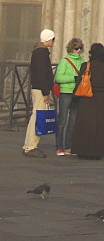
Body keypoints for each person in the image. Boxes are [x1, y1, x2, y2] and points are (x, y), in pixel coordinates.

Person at [71, 43, 104, 159]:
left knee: (84, 124)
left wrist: (75, 98)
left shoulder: (85, 65)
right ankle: (96, 152)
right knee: (98, 126)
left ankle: (82, 149)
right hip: (100, 99)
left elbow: (79, 82)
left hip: (85, 98)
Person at [23, 29, 56, 158]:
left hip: (37, 87)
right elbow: (42, 74)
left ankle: (28, 145)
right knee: (38, 116)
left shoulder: (38, 52)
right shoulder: (42, 53)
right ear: (48, 39)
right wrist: (46, 92)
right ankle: (31, 146)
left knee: (35, 116)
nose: (54, 42)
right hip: (40, 89)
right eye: (53, 39)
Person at [54, 37, 84, 155]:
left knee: (73, 121)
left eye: (80, 48)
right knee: (62, 121)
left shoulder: (82, 62)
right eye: (76, 48)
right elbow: (58, 78)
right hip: (66, 93)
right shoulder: (64, 61)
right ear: (71, 48)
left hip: (77, 93)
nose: (78, 50)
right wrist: (73, 78)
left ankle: (68, 146)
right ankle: (59, 146)